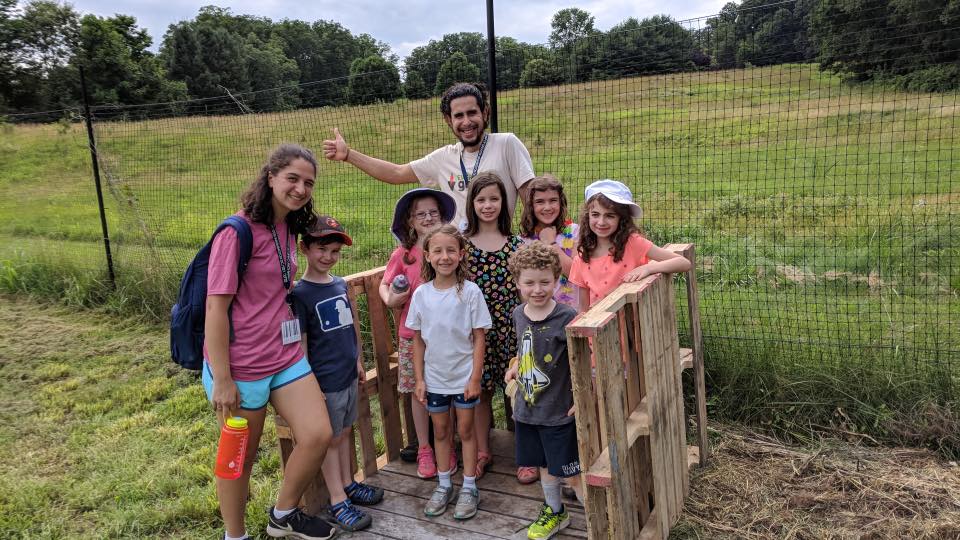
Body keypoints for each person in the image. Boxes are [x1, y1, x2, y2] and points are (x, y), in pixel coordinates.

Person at [202, 144, 335, 540]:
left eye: (308, 182)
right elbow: (215, 308)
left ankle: (282, 514)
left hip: (284, 357)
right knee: (239, 460)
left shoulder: (287, 225)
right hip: (241, 368)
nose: (300, 189)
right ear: (271, 176)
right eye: (292, 178)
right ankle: (235, 535)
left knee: (317, 435)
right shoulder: (235, 232)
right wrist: (223, 379)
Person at [322, 82, 536, 226]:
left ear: (485, 112)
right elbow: (397, 173)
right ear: (448, 120)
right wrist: (349, 155)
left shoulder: (507, 144)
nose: (466, 122)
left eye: (472, 112)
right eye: (458, 115)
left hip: (496, 253)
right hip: (455, 256)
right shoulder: (444, 158)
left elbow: (531, 200)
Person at [291, 215, 384, 533]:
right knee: (330, 440)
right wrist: (308, 385)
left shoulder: (338, 284)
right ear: (305, 248)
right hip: (324, 382)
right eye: (321, 249)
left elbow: (350, 329)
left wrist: (358, 360)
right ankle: (336, 500)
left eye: (334, 251)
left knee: (344, 433)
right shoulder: (300, 294)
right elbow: (301, 345)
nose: (328, 257)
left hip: (346, 375)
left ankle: (347, 483)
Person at [408, 225, 492, 520]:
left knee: (465, 430)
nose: (445, 257)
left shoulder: (470, 292)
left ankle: (469, 487)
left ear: (461, 254)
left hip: (463, 377)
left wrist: (474, 378)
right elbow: (417, 339)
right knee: (441, 431)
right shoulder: (421, 294)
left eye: (451, 250)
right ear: (428, 256)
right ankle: (444, 485)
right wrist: (420, 379)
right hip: (435, 379)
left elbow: (479, 336)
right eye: (438, 251)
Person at [504, 241, 582, 540]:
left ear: (557, 280)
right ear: (517, 283)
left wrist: (582, 399)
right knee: (544, 465)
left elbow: (580, 361)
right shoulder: (518, 314)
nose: (537, 289)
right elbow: (525, 352)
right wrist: (515, 368)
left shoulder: (567, 317)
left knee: (572, 474)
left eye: (545, 282)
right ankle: (555, 512)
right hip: (527, 409)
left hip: (558, 411)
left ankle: (600, 517)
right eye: (529, 283)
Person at [378, 188, 458, 478]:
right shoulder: (403, 255)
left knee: (445, 389)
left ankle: (445, 445)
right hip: (412, 336)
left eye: (433, 213)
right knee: (417, 392)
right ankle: (425, 447)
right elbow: (385, 285)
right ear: (410, 221)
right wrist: (390, 299)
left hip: (446, 337)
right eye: (420, 214)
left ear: (442, 217)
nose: (427, 218)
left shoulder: (448, 252)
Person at [462, 172, 522, 480]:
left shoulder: (516, 244)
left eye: (494, 199)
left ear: (504, 202)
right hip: (477, 334)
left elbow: (526, 289)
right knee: (482, 392)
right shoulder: (462, 246)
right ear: (472, 203)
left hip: (511, 327)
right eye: (481, 199)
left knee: (520, 390)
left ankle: (525, 454)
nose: (488, 205)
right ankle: (483, 450)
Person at [569, 179, 692, 311]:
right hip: (602, 327)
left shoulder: (633, 243)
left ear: (621, 219)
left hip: (634, 324)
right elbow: (583, 309)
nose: (601, 222)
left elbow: (683, 263)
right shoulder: (582, 257)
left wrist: (649, 269)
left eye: (610, 216)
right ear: (587, 216)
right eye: (595, 214)